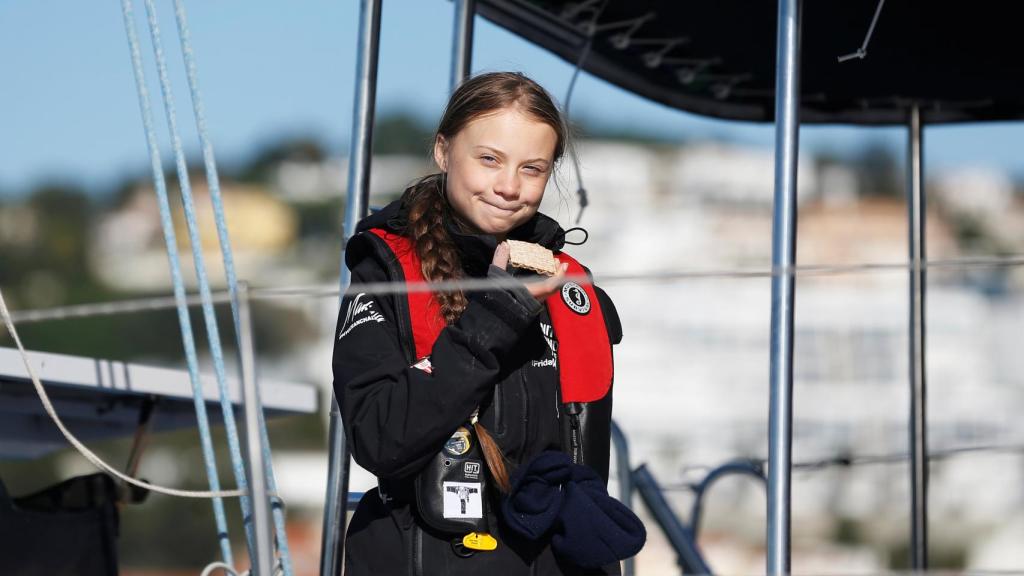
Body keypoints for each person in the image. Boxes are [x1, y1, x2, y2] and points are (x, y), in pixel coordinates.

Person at [332, 71, 637, 575]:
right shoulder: (383, 273)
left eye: (532, 168)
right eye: (489, 159)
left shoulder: (571, 289)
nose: (509, 186)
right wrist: (498, 311)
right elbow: (380, 439)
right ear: (443, 151)